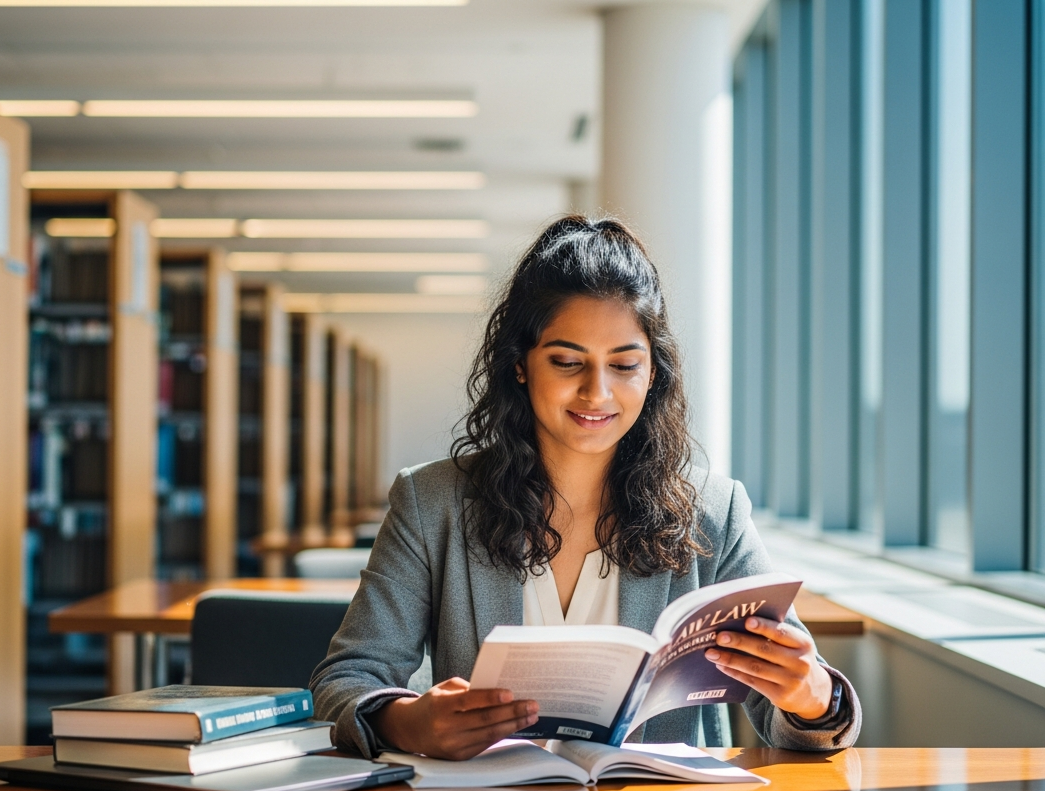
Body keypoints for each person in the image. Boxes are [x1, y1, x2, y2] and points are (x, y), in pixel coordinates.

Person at [311, 216, 861, 760]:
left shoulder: (715, 512)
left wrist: (813, 696)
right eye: (569, 361)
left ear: (653, 373)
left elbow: (795, 721)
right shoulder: (432, 503)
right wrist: (406, 722)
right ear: (521, 365)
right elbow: (346, 679)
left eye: (624, 364)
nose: (597, 392)